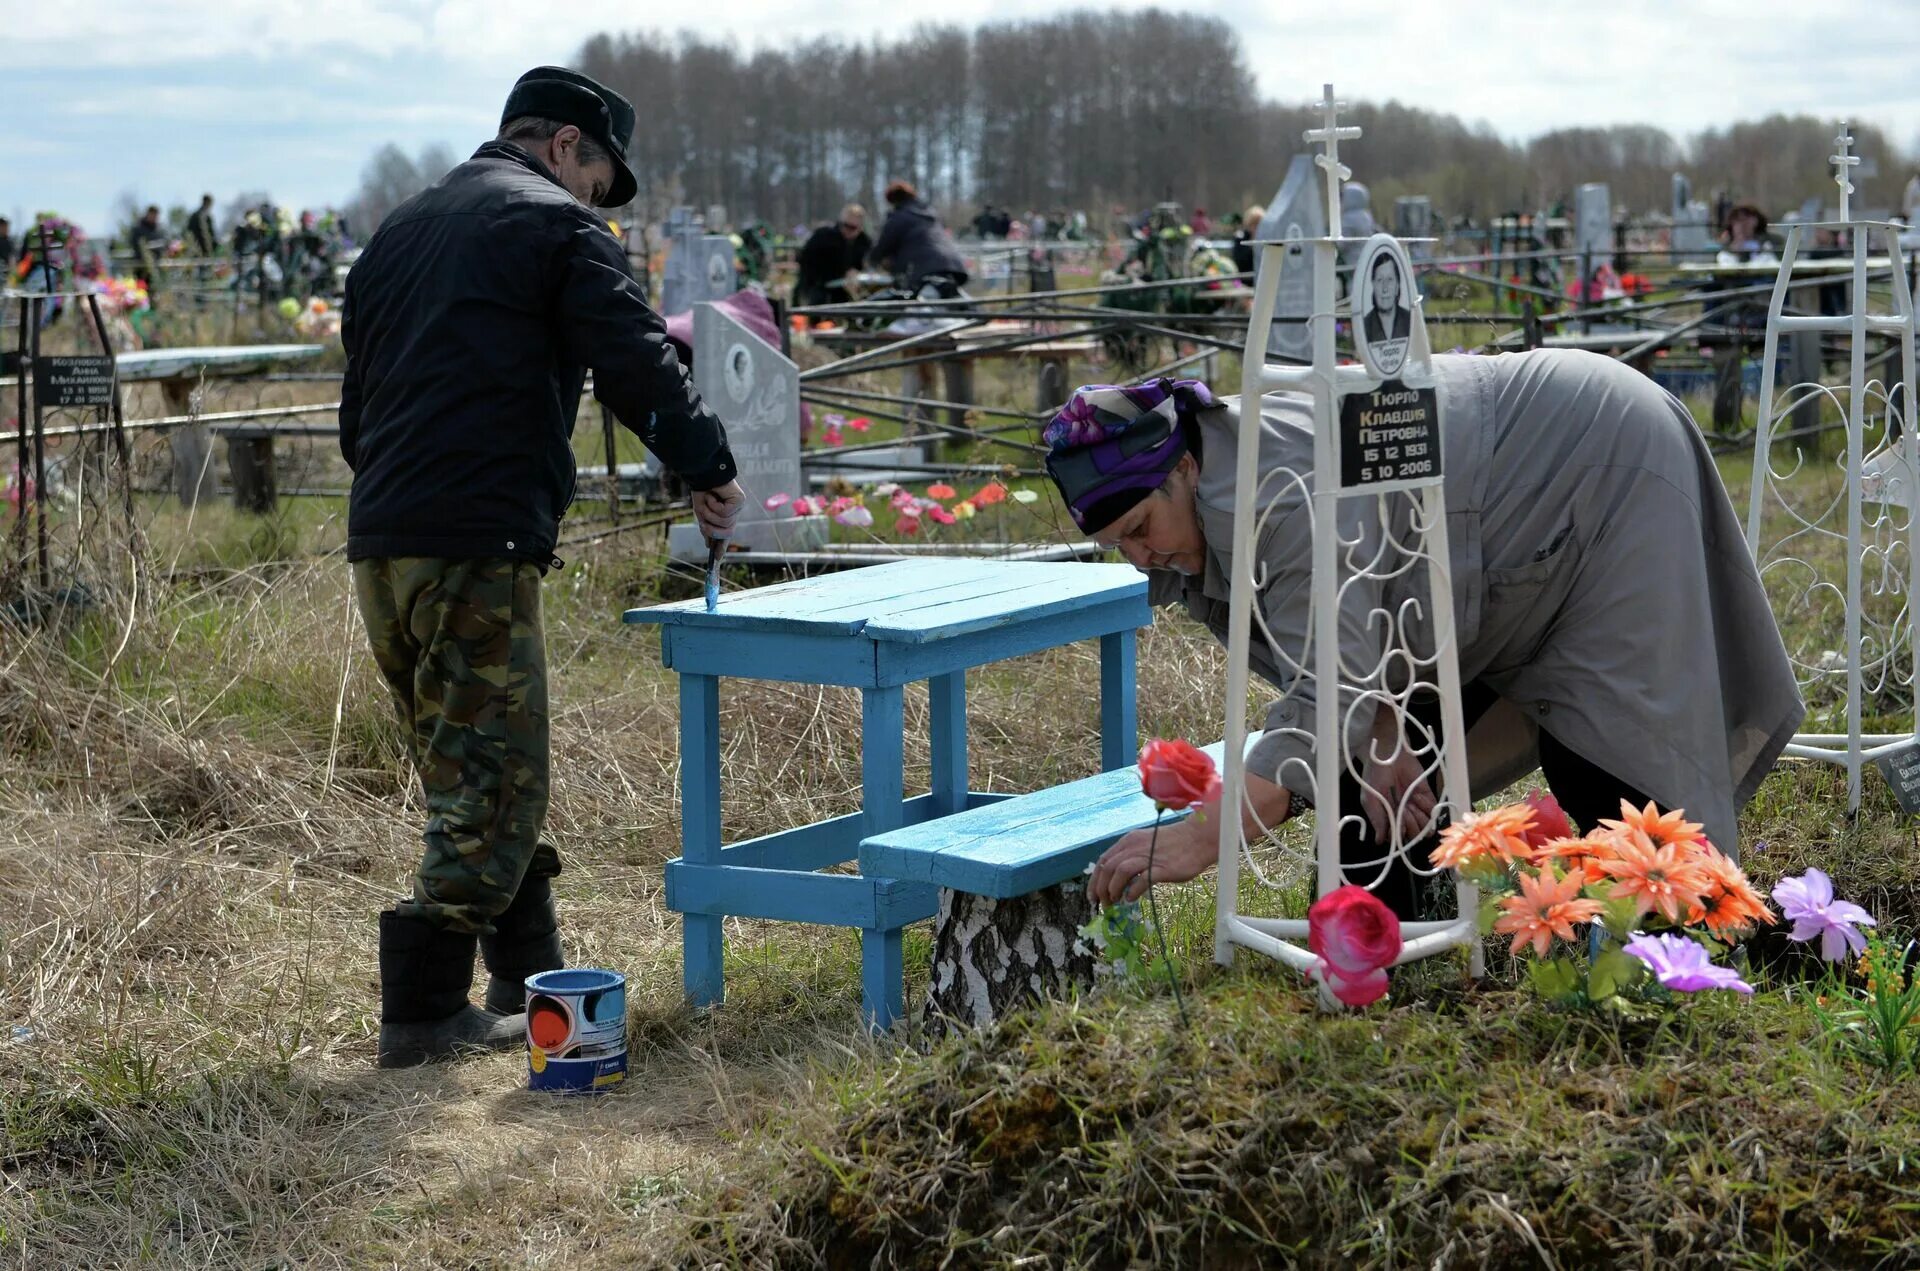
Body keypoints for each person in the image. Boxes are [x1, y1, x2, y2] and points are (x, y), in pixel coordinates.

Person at [1056, 354, 1803, 917]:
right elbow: (1343, 622)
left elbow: (1327, 686)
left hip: (1593, 472)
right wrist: (1380, 720)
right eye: (1119, 544)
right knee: (1365, 792)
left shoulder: (1274, 493)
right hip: (1492, 552)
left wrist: (1202, 835)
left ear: (1184, 467)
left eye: (1141, 528)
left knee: (1621, 790)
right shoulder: (1206, 515)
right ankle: (1374, 963)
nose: (1141, 556)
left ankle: (1794, 953)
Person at [341, 65, 746, 1068]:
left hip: (384, 535)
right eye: (602, 177)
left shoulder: (400, 229)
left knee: (476, 766)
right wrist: (710, 467)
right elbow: (638, 361)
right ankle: (424, 1014)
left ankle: (529, 981)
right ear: (568, 145)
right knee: (493, 778)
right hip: (474, 537)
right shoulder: (559, 230)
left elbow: (357, 405)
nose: (598, 198)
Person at [870, 180, 969, 296]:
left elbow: (881, 248)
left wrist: (871, 259)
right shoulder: (931, 214)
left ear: (893, 201)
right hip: (954, 266)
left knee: (923, 308)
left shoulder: (899, 217)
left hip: (923, 270)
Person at [792, 203, 870, 308]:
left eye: (852, 227)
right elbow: (807, 261)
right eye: (844, 225)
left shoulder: (863, 242)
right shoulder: (824, 236)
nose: (846, 230)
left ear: (860, 228)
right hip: (816, 288)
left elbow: (862, 264)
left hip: (843, 292)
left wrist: (855, 272)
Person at [129, 205, 167, 292]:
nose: (155, 218)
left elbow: (165, 243)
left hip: (156, 266)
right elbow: (135, 244)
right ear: (148, 214)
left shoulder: (159, 229)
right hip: (141, 266)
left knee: (156, 291)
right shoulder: (138, 228)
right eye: (153, 215)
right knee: (141, 292)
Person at [1231, 204, 1264, 275]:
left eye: (1260, 223)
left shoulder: (1266, 238)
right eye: (1254, 224)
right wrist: (1252, 243)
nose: (1257, 227)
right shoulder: (1241, 238)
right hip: (1246, 278)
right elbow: (1239, 260)